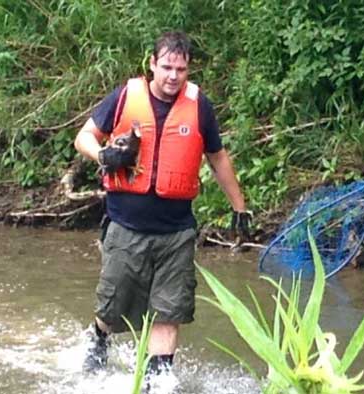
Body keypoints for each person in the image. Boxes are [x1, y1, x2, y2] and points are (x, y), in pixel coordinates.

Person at [73, 31, 252, 377]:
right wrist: (104, 154)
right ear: (152, 64)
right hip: (127, 227)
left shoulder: (199, 106)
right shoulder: (125, 96)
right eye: (167, 67)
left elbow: (217, 158)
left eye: (181, 69)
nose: (173, 76)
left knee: (170, 311)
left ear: (188, 70)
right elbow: (83, 136)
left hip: (176, 233)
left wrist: (239, 207)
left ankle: (159, 382)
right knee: (112, 309)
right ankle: (98, 339)